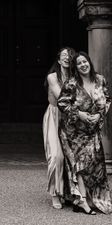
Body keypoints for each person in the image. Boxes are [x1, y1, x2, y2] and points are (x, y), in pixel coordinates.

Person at [57, 51, 112, 215]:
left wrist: (99, 115)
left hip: (93, 131)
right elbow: (62, 103)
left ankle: (92, 197)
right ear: (76, 67)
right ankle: (81, 201)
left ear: (89, 62)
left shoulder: (100, 80)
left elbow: (107, 100)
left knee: (95, 164)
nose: (83, 65)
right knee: (79, 164)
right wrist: (79, 114)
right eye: (79, 63)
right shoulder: (71, 83)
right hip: (74, 132)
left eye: (85, 61)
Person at [43, 47, 75, 209]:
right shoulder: (52, 77)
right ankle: (55, 193)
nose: (67, 58)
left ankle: (69, 192)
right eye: (64, 55)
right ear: (58, 59)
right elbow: (62, 97)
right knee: (56, 156)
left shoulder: (76, 77)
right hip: (55, 117)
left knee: (72, 156)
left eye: (70, 55)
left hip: (72, 119)